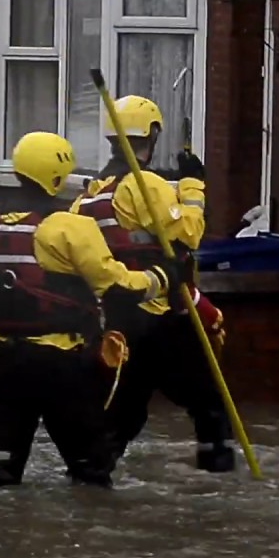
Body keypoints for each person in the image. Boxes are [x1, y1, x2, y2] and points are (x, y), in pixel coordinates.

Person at [0, 131, 179, 492]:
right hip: (58, 361)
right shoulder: (69, 227)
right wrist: (164, 277)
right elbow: (116, 286)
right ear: (57, 176)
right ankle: (88, 536)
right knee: (90, 466)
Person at [68, 95, 236, 473]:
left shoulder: (91, 191)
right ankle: (218, 479)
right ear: (153, 135)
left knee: (123, 415)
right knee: (209, 402)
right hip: (161, 316)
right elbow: (189, 233)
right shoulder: (145, 185)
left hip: (116, 320)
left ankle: (89, 480)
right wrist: (193, 186)